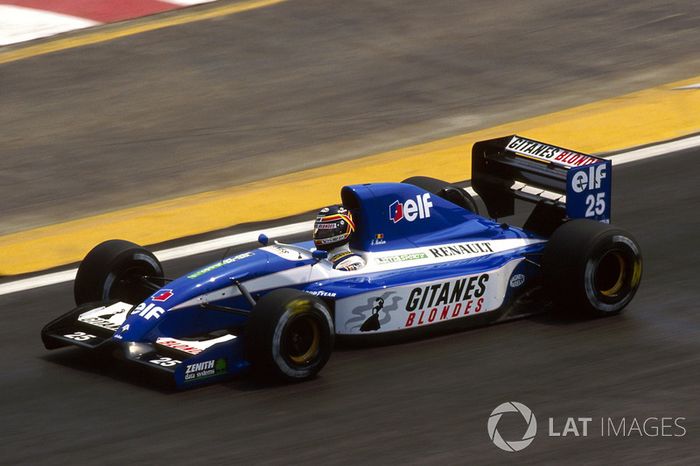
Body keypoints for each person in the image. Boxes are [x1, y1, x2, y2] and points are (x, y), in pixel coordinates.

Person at [313, 205, 366, 271]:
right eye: (319, 230)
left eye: (325, 231)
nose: (320, 234)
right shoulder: (319, 255)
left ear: (341, 230)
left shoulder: (353, 261)